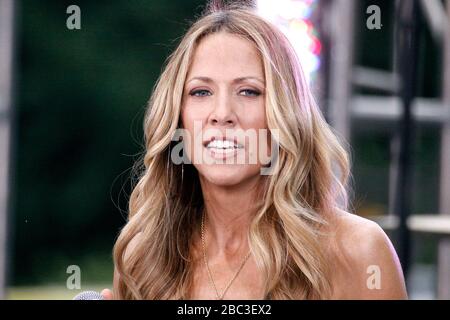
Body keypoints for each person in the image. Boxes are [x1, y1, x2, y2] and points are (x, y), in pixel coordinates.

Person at [101, 0, 408, 300]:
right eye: (201, 92)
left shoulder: (358, 252)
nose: (222, 113)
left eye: (249, 91)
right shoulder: (143, 258)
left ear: (286, 113)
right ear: (177, 115)